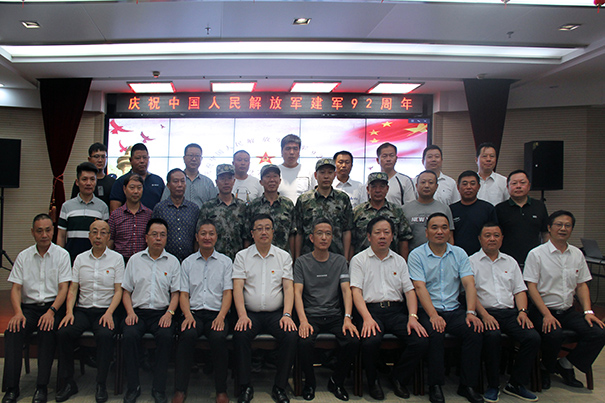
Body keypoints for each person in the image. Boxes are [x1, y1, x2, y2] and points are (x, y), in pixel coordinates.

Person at [524, 210, 605, 390]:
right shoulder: (536, 254)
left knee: (599, 332)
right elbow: (531, 287)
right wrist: (546, 314)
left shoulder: (577, 254)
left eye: (567, 226)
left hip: (568, 311)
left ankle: (566, 364)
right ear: (549, 228)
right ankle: (545, 368)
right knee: (554, 334)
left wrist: (588, 311)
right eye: (559, 225)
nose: (563, 229)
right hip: (542, 310)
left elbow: (582, 285)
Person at [408, 212, 484, 403]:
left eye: (444, 227)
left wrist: (471, 312)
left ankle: (467, 385)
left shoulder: (459, 253)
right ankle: (435, 385)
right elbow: (419, 287)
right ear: (426, 232)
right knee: (435, 332)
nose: (439, 232)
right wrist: (433, 315)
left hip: (454, 309)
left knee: (474, 330)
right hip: (428, 310)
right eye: (434, 228)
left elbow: (469, 284)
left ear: (449, 232)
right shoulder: (416, 255)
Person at [350, 216, 429, 400]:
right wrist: (367, 318)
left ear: (392, 236)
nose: (382, 236)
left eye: (387, 232)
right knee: (370, 341)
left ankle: (398, 378)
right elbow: (356, 292)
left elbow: (409, 291)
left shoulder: (399, 261)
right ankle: (373, 381)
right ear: (369, 236)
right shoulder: (359, 260)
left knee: (420, 340)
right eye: (377, 232)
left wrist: (412, 316)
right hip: (370, 311)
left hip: (395, 311)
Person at [2, 214, 71, 403]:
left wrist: (51, 312)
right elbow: (16, 289)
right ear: (33, 232)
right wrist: (18, 313)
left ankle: (41, 387)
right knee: (13, 332)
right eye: (39, 231)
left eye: (48, 230)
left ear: (53, 231)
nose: (44, 235)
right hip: (28, 309)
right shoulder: (23, 256)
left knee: (47, 331)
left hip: (52, 307)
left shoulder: (62, 255)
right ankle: (11, 388)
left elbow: (64, 288)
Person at [469, 223, 540, 402]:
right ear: (480, 239)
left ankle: (515, 383)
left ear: (502, 238)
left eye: (496, 235)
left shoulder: (511, 261)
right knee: (492, 337)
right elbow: (470, 293)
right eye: (487, 235)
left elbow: (519, 290)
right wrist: (484, 315)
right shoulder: (471, 262)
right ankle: (493, 385)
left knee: (532, 337)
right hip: (485, 313)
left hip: (510, 313)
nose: (492, 239)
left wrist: (522, 312)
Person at [55, 220, 125, 403]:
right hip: (83, 310)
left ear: (109, 237)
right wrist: (69, 312)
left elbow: (119, 291)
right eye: (94, 232)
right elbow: (73, 289)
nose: (98, 236)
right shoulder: (80, 258)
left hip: (105, 310)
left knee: (105, 335)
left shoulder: (117, 259)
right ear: (89, 236)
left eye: (103, 233)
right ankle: (68, 382)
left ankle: (101, 383)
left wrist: (109, 313)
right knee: (64, 332)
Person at [232, 214, 298, 403]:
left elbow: (288, 288)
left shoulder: (283, 256)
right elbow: (237, 287)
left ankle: (280, 387)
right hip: (249, 314)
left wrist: (287, 314)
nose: (264, 232)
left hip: (276, 314)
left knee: (290, 335)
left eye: (267, 228)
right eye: (259, 228)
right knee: (240, 334)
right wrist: (242, 315)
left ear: (273, 232)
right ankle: (245, 386)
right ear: (252, 233)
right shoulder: (242, 256)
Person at [294, 218, 360, 401]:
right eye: (319, 233)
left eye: (328, 234)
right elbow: (297, 293)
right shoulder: (301, 262)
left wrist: (347, 317)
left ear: (332, 237)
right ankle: (310, 383)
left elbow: (346, 290)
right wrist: (303, 321)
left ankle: (336, 381)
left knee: (353, 340)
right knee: (304, 342)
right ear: (311, 238)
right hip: (311, 315)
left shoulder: (340, 261)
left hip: (334, 315)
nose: (324, 237)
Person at [121, 218, 180, 403]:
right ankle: (133, 387)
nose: (158, 238)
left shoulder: (173, 262)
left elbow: (176, 294)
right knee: (129, 336)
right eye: (154, 234)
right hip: (137, 312)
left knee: (166, 336)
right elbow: (126, 291)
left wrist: (169, 314)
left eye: (162, 235)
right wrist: (130, 313)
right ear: (146, 237)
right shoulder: (135, 260)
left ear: (167, 238)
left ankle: (159, 388)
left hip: (161, 313)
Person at [172, 219, 232, 403]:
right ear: (197, 237)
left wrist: (221, 316)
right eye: (203, 234)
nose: (207, 237)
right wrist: (187, 315)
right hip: (194, 313)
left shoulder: (225, 262)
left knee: (218, 338)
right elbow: (183, 294)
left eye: (211, 234)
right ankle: (180, 390)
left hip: (217, 313)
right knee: (187, 335)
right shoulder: (187, 263)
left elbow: (227, 293)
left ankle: (221, 390)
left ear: (216, 237)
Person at [294, 158, 352, 259]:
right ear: (315, 175)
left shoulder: (343, 199)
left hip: (336, 257)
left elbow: (347, 231)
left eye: (330, 172)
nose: (326, 176)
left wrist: (345, 259)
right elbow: (299, 232)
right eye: (322, 172)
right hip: (309, 257)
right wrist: (297, 259)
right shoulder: (304, 200)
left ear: (335, 175)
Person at [351, 172, 412, 259]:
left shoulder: (397, 211)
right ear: (368, 189)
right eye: (374, 187)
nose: (378, 190)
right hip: (363, 261)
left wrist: (403, 262)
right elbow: (351, 241)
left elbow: (404, 239)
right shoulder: (358, 211)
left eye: (382, 186)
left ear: (387, 189)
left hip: (390, 260)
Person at [58, 162, 109, 262]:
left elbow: (105, 236)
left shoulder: (103, 207)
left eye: (92, 179)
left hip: (95, 260)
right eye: (84, 179)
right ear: (77, 182)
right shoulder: (66, 206)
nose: (88, 183)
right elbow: (61, 236)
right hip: (71, 260)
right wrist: (61, 259)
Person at [495, 170, 548, 266]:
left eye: (522, 183)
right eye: (514, 183)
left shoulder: (539, 206)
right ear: (507, 187)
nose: (518, 186)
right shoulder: (499, 209)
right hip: (507, 262)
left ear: (529, 186)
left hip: (534, 260)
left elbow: (546, 233)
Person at [197, 164, 248, 260]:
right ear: (216, 182)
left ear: (234, 181)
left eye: (229, 178)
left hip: (237, 259)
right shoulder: (208, 207)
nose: (226, 182)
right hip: (213, 259)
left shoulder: (242, 207)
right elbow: (200, 235)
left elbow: (246, 237)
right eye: (222, 179)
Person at [245, 164, 296, 253]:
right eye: (268, 176)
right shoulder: (253, 205)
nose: (272, 180)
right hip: (258, 256)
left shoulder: (288, 204)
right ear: (261, 182)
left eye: (275, 176)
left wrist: (294, 258)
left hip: (283, 256)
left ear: (280, 181)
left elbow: (292, 234)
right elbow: (247, 235)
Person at [152, 168, 199, 262]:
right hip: (165, 261)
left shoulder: (194, 209)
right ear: (168, 185)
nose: (179, 185)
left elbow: (197, 237)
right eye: (175, 181)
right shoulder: (160, 208)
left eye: (182, 181)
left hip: (189, 261)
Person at [402, 170, 454, 251]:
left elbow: (450, 236)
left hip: (440, 255)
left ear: (436, 186)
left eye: (431, 182)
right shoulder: (405, 209)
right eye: (423, 182)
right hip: (413, 256)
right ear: (416, 186)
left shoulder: (444, 208)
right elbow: (402, 240)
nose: (426, 186)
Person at [450, 171, 498, 257]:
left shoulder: (488, 208)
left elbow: (494, 234)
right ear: (458, 187)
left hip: (482, 257)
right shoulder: (451, 210)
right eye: (465, 184)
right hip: (457, 256)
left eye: (472, 184)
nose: (468, 187)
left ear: (479, 187)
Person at [108, 173, 153, 262]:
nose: (136, 191)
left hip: (143, 262)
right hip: (120, 261)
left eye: (139, 188)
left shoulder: (149, 214)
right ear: (124, 189)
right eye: (132, 187)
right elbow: (110, 240)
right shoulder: (115, 215)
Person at [110, 143, 165, 212]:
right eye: (138, 158)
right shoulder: (121, 181)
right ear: (131, 160)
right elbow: (114, 209)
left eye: (145, 158)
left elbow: (164, 206)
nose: (142, 161)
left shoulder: (158, 181)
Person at [161, 143, 218, 208]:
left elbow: (214, 207)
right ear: (184, 158)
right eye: (191, 155)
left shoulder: (208, 183)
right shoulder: (174, 181)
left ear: (201, 159)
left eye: (197, 156)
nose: (194, 159)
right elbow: (163, 204)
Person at [277, 134, 315, 203]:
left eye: (295, 149)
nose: (291, 152)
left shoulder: (308, 172)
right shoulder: (275, 172)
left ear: (299, 151)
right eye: (288, 149)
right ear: (281, 151)